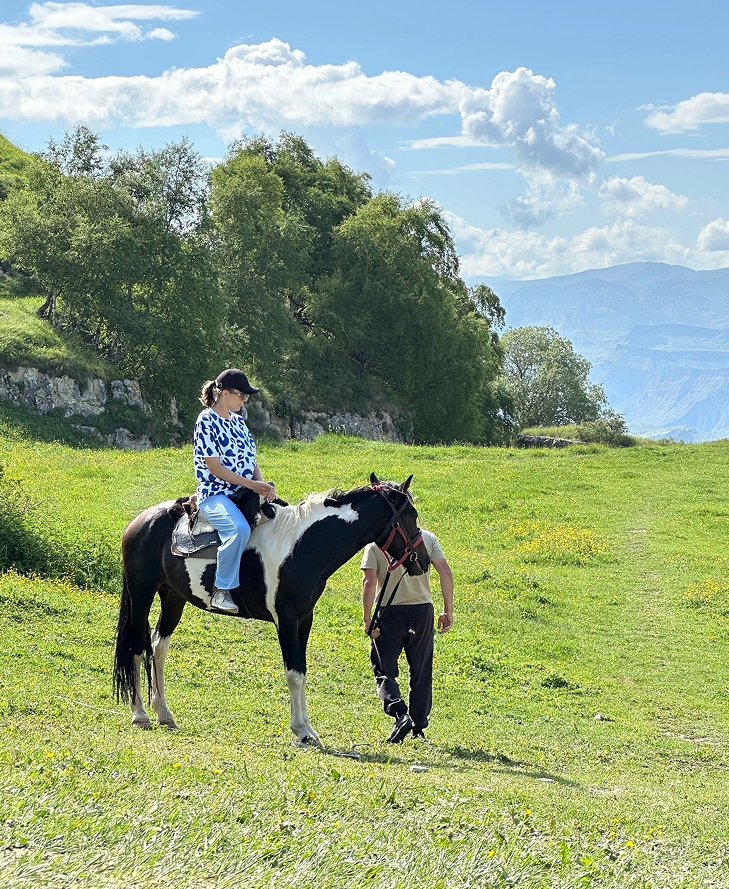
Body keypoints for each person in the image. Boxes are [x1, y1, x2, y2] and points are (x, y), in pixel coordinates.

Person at [193, 368, 276, 613]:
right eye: (242, 395)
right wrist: (252, 485)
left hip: (246, 492)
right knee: (238, 529)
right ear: (225, 393)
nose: (244, 400)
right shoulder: (206, 420)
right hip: (215, 493)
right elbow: (214, 467)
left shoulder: (239, 422)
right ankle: (221, 590)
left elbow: (251, 460)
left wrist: (263, 486)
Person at [361, 527, 454, 743]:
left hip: (389, 612)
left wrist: (367, 619)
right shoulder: (427, 538)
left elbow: (369, 581)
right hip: (422, 611)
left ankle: (400, 713)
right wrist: (447, 611)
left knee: (384, 668)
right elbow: (445, 572)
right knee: (421, 670)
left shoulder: (375, 542)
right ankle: (418, 727)